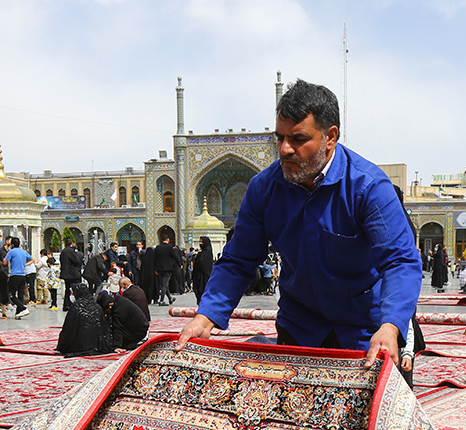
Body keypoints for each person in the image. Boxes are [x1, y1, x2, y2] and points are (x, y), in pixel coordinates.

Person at [176, 80, 419, 367]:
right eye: (280, 138)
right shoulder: (264, 188)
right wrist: (206, 316)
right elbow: (238, 259)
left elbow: (400, 261)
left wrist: (390, 326)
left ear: (330, 137)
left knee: (380, 409)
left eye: (298, 139)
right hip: (300, 326)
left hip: (363, 328)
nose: (285, 149)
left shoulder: (368, 187)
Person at [55, 284, 109, 357]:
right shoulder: (96, 306)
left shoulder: (76, 307)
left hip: (78, 345)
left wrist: (62, 346)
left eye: (72, 293)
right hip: (96, 344)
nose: (71, 295)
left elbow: (68, 329)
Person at [5, 236, 31, 319]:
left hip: (14, 275)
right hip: (23, 275)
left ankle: (23, 308)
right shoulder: (23, 252)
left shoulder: (11, 252)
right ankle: (19, 312)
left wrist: (8, 252)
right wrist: (25, 265)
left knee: (11, 294)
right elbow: (32, 259)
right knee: (20, 294)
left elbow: (5, 262)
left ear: (12, 244)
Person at [154, 236, 180, 305]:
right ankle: (162, 300)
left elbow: (155, 258)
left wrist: (155, 268)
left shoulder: (158, 247)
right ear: (168, 239)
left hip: (159, 268)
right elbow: (175, 256)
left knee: (164, 284)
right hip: (168, 268)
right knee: (164, 284)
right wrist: (179, 264)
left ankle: (170, 298)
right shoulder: (169, 247)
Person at [59, 238, 83, 310]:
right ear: (71, 243)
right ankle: (74, 305)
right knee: (75, 289)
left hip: (66, 274)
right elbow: (76, 261)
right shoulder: (71, 251)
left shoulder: (63, 251)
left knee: (67, 289)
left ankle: (66, 305)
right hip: (72, 274)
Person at [192, 237, 214, 304]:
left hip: (204, 277)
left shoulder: (206, 252)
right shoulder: (204, 252)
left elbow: (202, 263)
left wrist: (199, 255)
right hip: (199, 277)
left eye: (202, 242)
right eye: (200, 242)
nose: (200, 243)